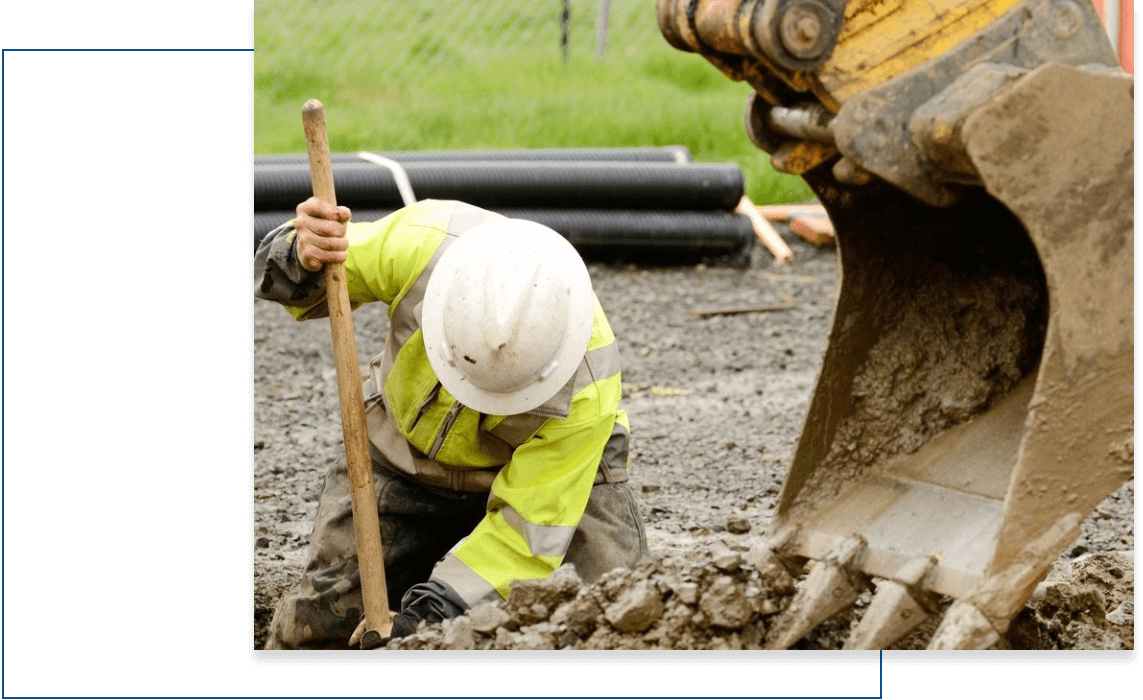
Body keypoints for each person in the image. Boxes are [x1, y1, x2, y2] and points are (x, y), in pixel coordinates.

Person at [255, 196, 649, 649]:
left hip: (555, 487)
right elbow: (311, 274)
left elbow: (525, 537)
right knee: (318, 630)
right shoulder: (423, 245)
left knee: (614, 619)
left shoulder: (587, 388)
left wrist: (420, 626)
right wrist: (301, 257)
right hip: (404, 457)